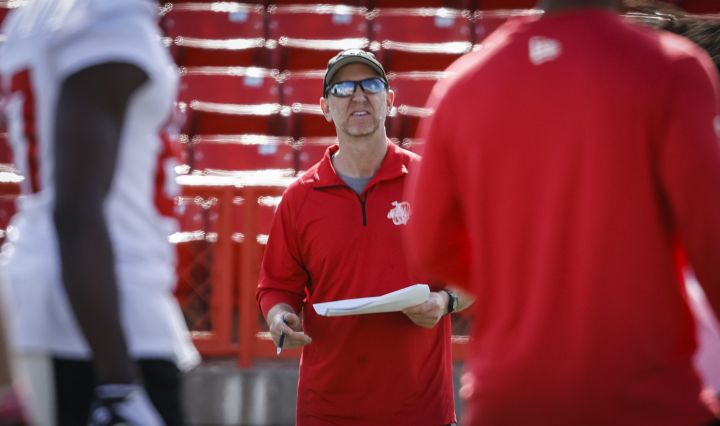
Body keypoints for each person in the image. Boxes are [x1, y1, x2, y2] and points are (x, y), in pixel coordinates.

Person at [405, 0, 720, 424]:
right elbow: (711, 241)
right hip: (642, 397)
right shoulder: (672, 69)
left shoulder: (462, 85)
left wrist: (530, 291)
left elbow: (428, 246)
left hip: (508, 399)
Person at [0, 0, 199, 425]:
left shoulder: (34, 16)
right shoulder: (107, 20)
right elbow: (76, 210)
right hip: (102, 315)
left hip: (65, 300)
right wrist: (117, 384)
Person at [256, 49, 472, 425]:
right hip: (328, 411)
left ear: (389, 101)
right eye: (343, 88)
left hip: (422, 410)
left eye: (370, 85)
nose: (358, 96)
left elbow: (477, 271)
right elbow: (276, 288)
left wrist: (445, 300)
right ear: (325, 107)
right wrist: (280, 319)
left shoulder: (431, 181)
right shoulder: (299, 197)